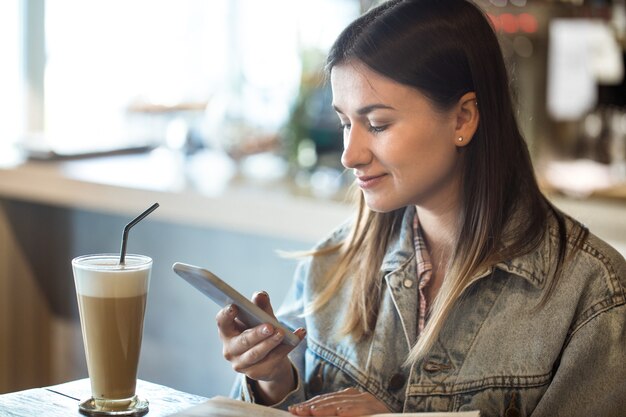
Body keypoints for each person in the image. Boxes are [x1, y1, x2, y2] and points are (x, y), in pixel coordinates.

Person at [216, 0, 626, 416]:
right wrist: (271, 378)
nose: (349, 155)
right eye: (345, 123)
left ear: (463, 118)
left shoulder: (593, 295)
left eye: (377, 124)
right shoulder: (333, 264)